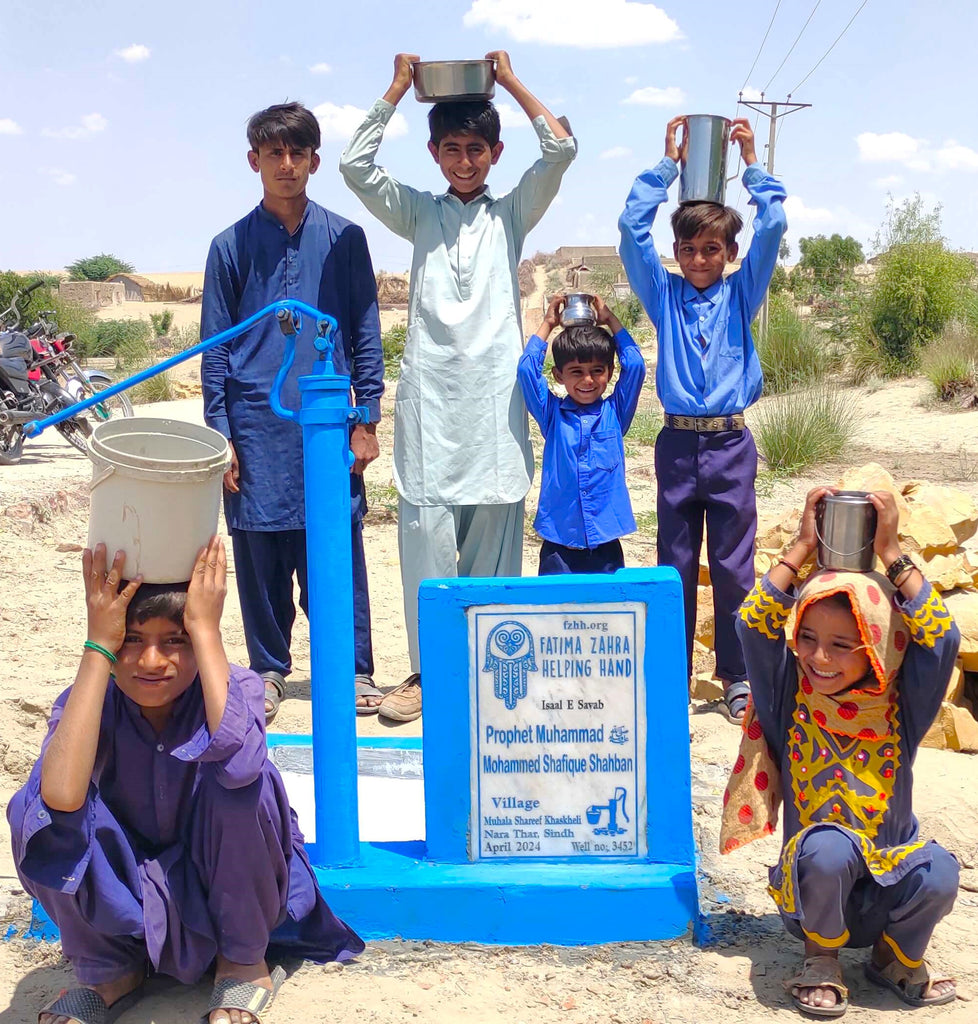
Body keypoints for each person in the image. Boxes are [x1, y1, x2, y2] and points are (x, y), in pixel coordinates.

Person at [7, 540, 364, 1024]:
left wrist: (205, 629)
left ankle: (242, 962)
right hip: (131, 890)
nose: (152, 662)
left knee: (243, 786)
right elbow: (62, 796)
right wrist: (98, 646)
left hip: (228, 885)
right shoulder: (91, 698)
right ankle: (110, 968)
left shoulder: (234, 686)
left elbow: (240, 771)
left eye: (174, 641)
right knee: (38, 805)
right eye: (132, 639)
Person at [339, 51, 576, 721]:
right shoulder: (418, 214)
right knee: (427, 538)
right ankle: (426, 674)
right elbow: (355, 167)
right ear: (435, 152)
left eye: (476, 148)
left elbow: (559, 150)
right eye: (452, 149)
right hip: (431, 403)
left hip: (496, 403)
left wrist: (509, 82)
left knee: (496, 534)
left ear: (496, 152)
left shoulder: (511, 215)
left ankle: (496, 672)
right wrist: (392, 90)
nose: (464, 161)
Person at [721, 487, 959, 1017]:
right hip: (815, 896)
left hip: (887, 891)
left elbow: (941, 638)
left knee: (940, 872)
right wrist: (804, 546)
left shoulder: (902, 704)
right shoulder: (791, 697)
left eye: (841, 645)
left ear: (878, 645)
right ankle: (820, 960)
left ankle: (894, 959)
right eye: (806, 637)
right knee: (827, 849)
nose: (818, 658)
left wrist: (893, 554)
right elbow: (751, 624)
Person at [201, 102, 385, 724]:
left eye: (297, 153)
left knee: (337, 548)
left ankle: (353, 672)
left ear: (314, 160)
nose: (286, 164)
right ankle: (269, 673)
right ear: (254, 161)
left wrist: (367, 419)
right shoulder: (229, 247)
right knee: (259, 555)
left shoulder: (345, 239)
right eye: (273, 153)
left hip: (330, 425)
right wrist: (221, 433)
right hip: (255, 424)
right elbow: (215, 347)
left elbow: (363, 333)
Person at [619, 115, 787, 722]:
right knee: (676, 561)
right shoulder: (663, 296)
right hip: (676, 445)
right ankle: (671, 671)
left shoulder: (743, 293)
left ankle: (737, 677)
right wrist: (668, 163)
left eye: (710, 249)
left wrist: (749, 161)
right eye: (687, 248)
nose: (697, 258)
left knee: (734, 565)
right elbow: (630, 229)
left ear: (730, 254)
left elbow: (774, 224)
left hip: (730, 446)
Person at [517, 293, 646, 574]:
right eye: (576, 372)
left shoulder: (615, 413)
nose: (587, 380)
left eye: (597, 371)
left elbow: (635, 365)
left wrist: (609, 318)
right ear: (559, 376)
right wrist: (549, 323)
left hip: (606, 543)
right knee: (554, 614)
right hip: (558, 544)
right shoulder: (552, 415)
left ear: (610, 371)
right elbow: (527, 369)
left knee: (607, 615)